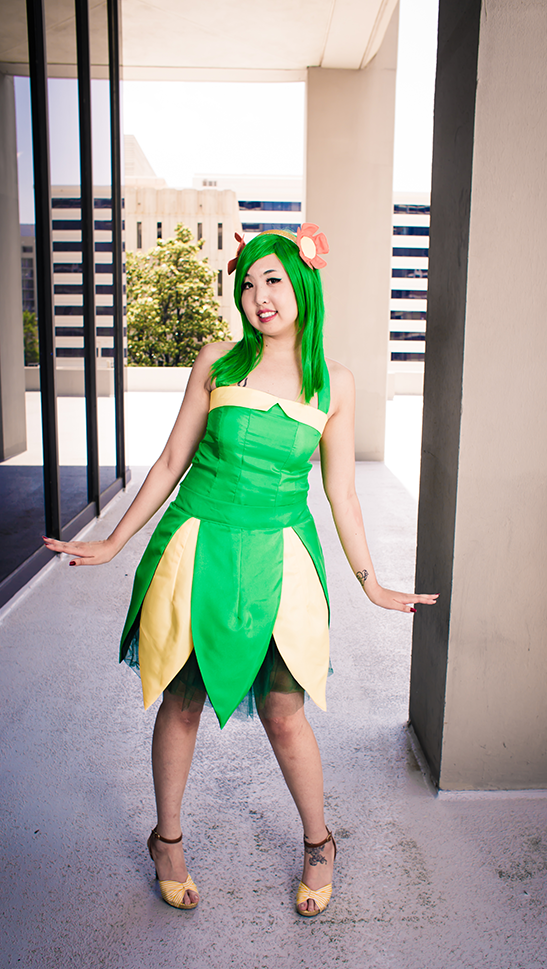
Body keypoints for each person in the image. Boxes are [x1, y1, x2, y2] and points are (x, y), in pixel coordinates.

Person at [43, 225, 438, 917]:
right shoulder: (217, 360)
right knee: (181, 700)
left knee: (284, 712)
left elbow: (342, 493)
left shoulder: (334, 382)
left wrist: (370, 583)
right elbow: (172, 461)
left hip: (281, 559)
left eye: (273, 280)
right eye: (248, 284)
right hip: (196, 547)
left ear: (303, 284)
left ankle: (320, 842)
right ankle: (167, 841)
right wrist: (112, 542)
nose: (259, 296)